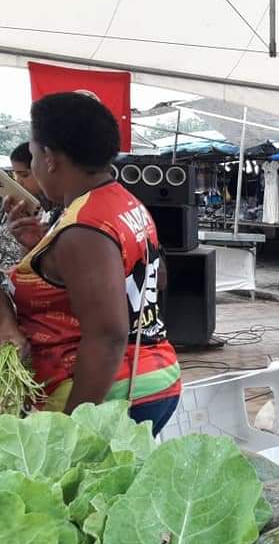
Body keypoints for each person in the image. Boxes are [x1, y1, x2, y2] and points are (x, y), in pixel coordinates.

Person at [0, 93, 181, 433]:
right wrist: (42, 252)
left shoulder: (83, 228)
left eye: (35, 154)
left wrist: (72, 430)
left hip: (108, 395)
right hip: (151, 378)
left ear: (50, 158)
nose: (35, 167)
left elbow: (108, 334)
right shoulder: (123, 203)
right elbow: (155, 279)